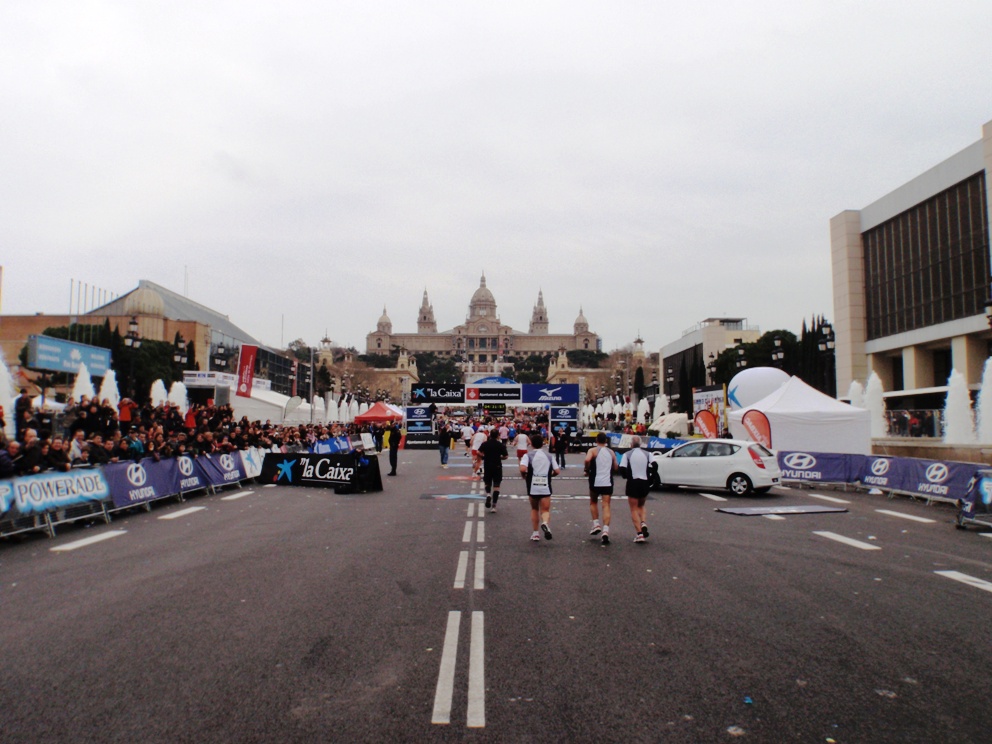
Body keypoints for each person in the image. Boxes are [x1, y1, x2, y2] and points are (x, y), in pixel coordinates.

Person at [520, 432, 559, 541]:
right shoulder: (549, 456)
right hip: (545, 484)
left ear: (531, 444)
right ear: (543, 444)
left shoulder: (528, 456)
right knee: (545, 509)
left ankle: (535, 533)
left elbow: (523, 469)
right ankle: (545, 523)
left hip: (533, 484)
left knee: (534, 508)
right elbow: (557, 471)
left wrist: (524, 476)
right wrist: (551, 475)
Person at [584, 432, 618, 545]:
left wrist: (586, 469)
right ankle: (605, 531)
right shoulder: (611, 452)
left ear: (596, 441)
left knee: (593, 501)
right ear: (606, 441)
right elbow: (616, 466)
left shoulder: (593, 450)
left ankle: (596, 524)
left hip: (595, 480)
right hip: (607, 481)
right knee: (606, 505)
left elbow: (587, 460)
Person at [619, 435, 653, 543]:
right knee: (641, 505)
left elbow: (622, 468)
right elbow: (655, 465)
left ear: (631, 444)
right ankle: (643, 522)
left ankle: (639, 534)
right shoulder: (648, 454)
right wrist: (650, 476)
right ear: (641, 444)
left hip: (633, 482)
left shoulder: (627, 454)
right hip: (644, 482)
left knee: (633, 508)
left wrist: (626, 476)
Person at [478, 428, 508, 512]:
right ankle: (494, 506)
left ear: (490, 435)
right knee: (496, 485)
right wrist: (500, 457)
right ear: (498, 435)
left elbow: (478, 452)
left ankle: (488, 494)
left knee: (487, 482)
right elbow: (506, 456)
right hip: (497, 465)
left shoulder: (485, 444)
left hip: (487, 465)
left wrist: (484, 457)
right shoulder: (500, 445)